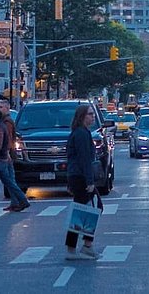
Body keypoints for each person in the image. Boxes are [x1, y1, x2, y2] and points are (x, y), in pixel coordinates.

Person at [64, 105, 99, 261]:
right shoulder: (81, 134)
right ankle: (82, 246)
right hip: (80, 177)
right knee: (85, 210)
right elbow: (84, 159)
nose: (93, 117)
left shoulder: (82, 132)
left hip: (76, 176)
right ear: (82, 116)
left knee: (83, 211)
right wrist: (90, 181)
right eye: (90, 114)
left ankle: (83, 246)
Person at [0, 98, 23, 210]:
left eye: (1, 107)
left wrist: (6, 152)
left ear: (7, 108)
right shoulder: (5, 120)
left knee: (9, 179)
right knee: (8, 179)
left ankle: (19, 201)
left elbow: (7, 138)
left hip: (6, 154)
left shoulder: (7, 122)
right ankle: (16, 201)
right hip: (6, 154)